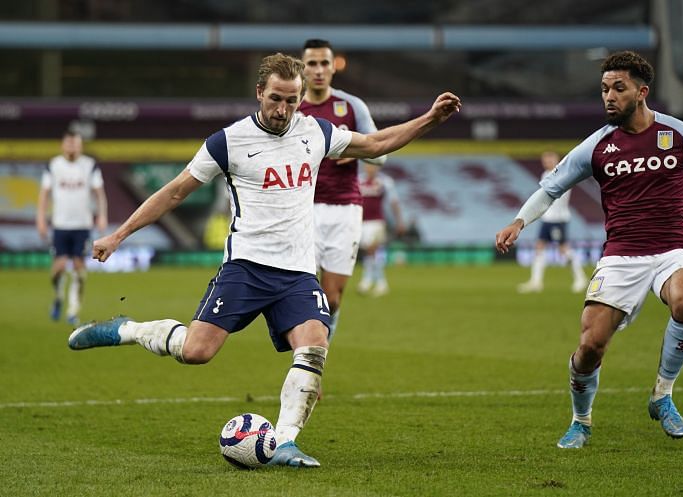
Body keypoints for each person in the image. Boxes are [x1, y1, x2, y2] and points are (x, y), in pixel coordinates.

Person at [67, 53, 460, 467]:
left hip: (297, 272)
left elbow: (376, 143)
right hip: (246, 268)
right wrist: (118, 234)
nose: (282, 109)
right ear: (259, 93)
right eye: (275, 98)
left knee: (314, 345)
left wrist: (430, 119)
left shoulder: (315, 132)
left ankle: (285, 442)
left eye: (292, 100)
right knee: (197, 352)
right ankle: (128, 329)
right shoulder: (228, 141)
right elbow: (176, 191)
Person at [495, 51, 683, 449]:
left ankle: (662, 395)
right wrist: (519, 221)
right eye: (604, 89)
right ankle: (580, 421)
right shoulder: (597, 146)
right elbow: (551, 189)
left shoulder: (682, 136)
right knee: (590, 347)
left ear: (642, 92)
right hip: (621, 256)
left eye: (618, 89)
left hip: (673, 249)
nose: (608, 97)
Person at [298, 39, 387, 339]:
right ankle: (307, 368)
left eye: (325, 63)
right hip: (303, 211)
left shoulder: (351, 105)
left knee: (332, 299)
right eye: (312, 63)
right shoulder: (293, 107)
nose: (319, 70)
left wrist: (355, 150)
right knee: (304, 297)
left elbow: (381, 152)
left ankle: (316, 360)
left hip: (345, 209)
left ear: (333, 67)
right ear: (302, 67)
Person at [36, 131, 108, 326]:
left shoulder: (90, 165)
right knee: (58, 269)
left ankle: (73, 310)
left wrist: (102, 216)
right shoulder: (53, 165)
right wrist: (41, 219)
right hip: (60, 225)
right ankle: (58, 297)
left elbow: (99, 193)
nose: (72, 147)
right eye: (69, 144)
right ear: (63, 145)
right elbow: (44, 194)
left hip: (82, 225)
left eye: (75, 144)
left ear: (80, 146)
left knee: (79, 267)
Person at [517, 150, 588, 294]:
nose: (546, 162)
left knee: (563, 249)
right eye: (545, 159)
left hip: (557, 219)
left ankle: (580, 278)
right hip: (547, 218)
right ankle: (536, 282)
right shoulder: (546, 175)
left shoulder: (563, 174)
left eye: (549, 159)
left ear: (557, 160)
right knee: (539, 247)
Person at [356, 163, 405, 297]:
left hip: (377, 222)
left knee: (373, 249)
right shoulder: (358, 180)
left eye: (372, 166)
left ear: (377, 167)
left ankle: (373, 281)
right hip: (361, 222)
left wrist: (399, 221)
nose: (370, 168)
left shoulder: (385, 182)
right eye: (367, 166)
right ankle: (375, 281)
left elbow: (394, 201)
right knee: (368, 252)